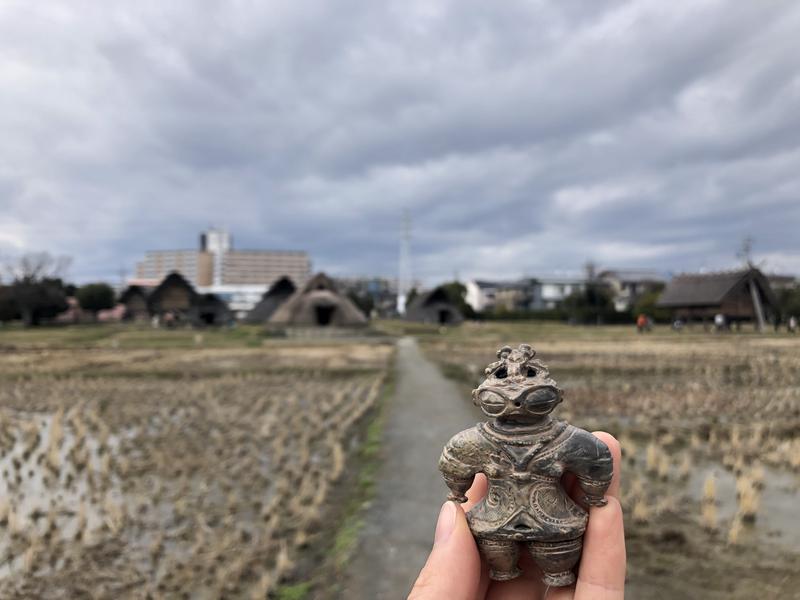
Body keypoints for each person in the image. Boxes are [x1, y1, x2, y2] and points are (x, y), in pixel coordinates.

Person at [408, 432, 624, 600]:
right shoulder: (478, 440)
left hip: (531, 522)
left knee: (556, 560)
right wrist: (594, 495)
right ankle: (507, 570)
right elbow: (455, 463)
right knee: (500, 556)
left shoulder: (566, 438)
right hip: (536, 522)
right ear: (478, 398)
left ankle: (555, 572)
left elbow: (596, 461)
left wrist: (458, 492)